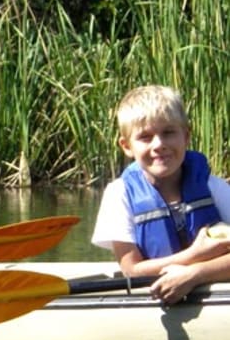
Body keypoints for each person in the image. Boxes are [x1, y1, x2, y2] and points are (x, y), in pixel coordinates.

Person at [91, 84, 230, 304]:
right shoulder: (119, 194)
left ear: (186, 136)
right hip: (155, 296)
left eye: (168, 133)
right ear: (127, 146)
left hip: (210, 286)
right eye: (145, 137)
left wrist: (196, 274)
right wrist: (195, 255)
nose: (159, 145)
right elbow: (132, 270)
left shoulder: (213, 187)